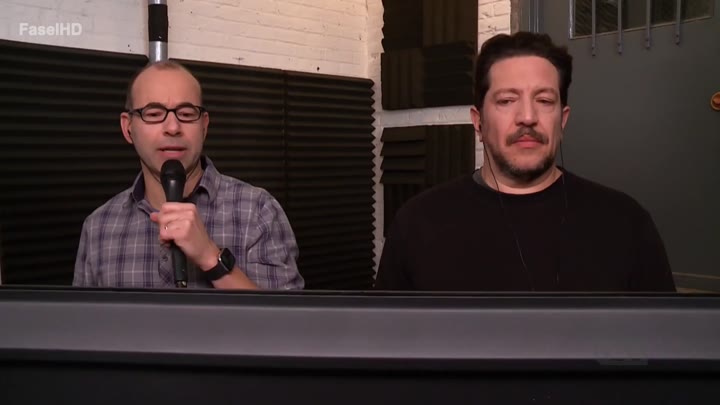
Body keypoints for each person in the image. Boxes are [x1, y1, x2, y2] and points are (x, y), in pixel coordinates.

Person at [374, 32, 675, 292]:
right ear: (478, 122)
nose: (528, 117)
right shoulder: (417, 223)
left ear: (562, 120)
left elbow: (662, 336)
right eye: (507, 100)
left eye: (544, 100)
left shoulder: (626, 223)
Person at [73, 60, 304, 290]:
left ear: (204, 126)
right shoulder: (98, 227)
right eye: (153, 114)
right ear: (128, 128)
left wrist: (210, 257)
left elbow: (284, 315)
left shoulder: (258, 211)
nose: (173, 128)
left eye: (186, 113)